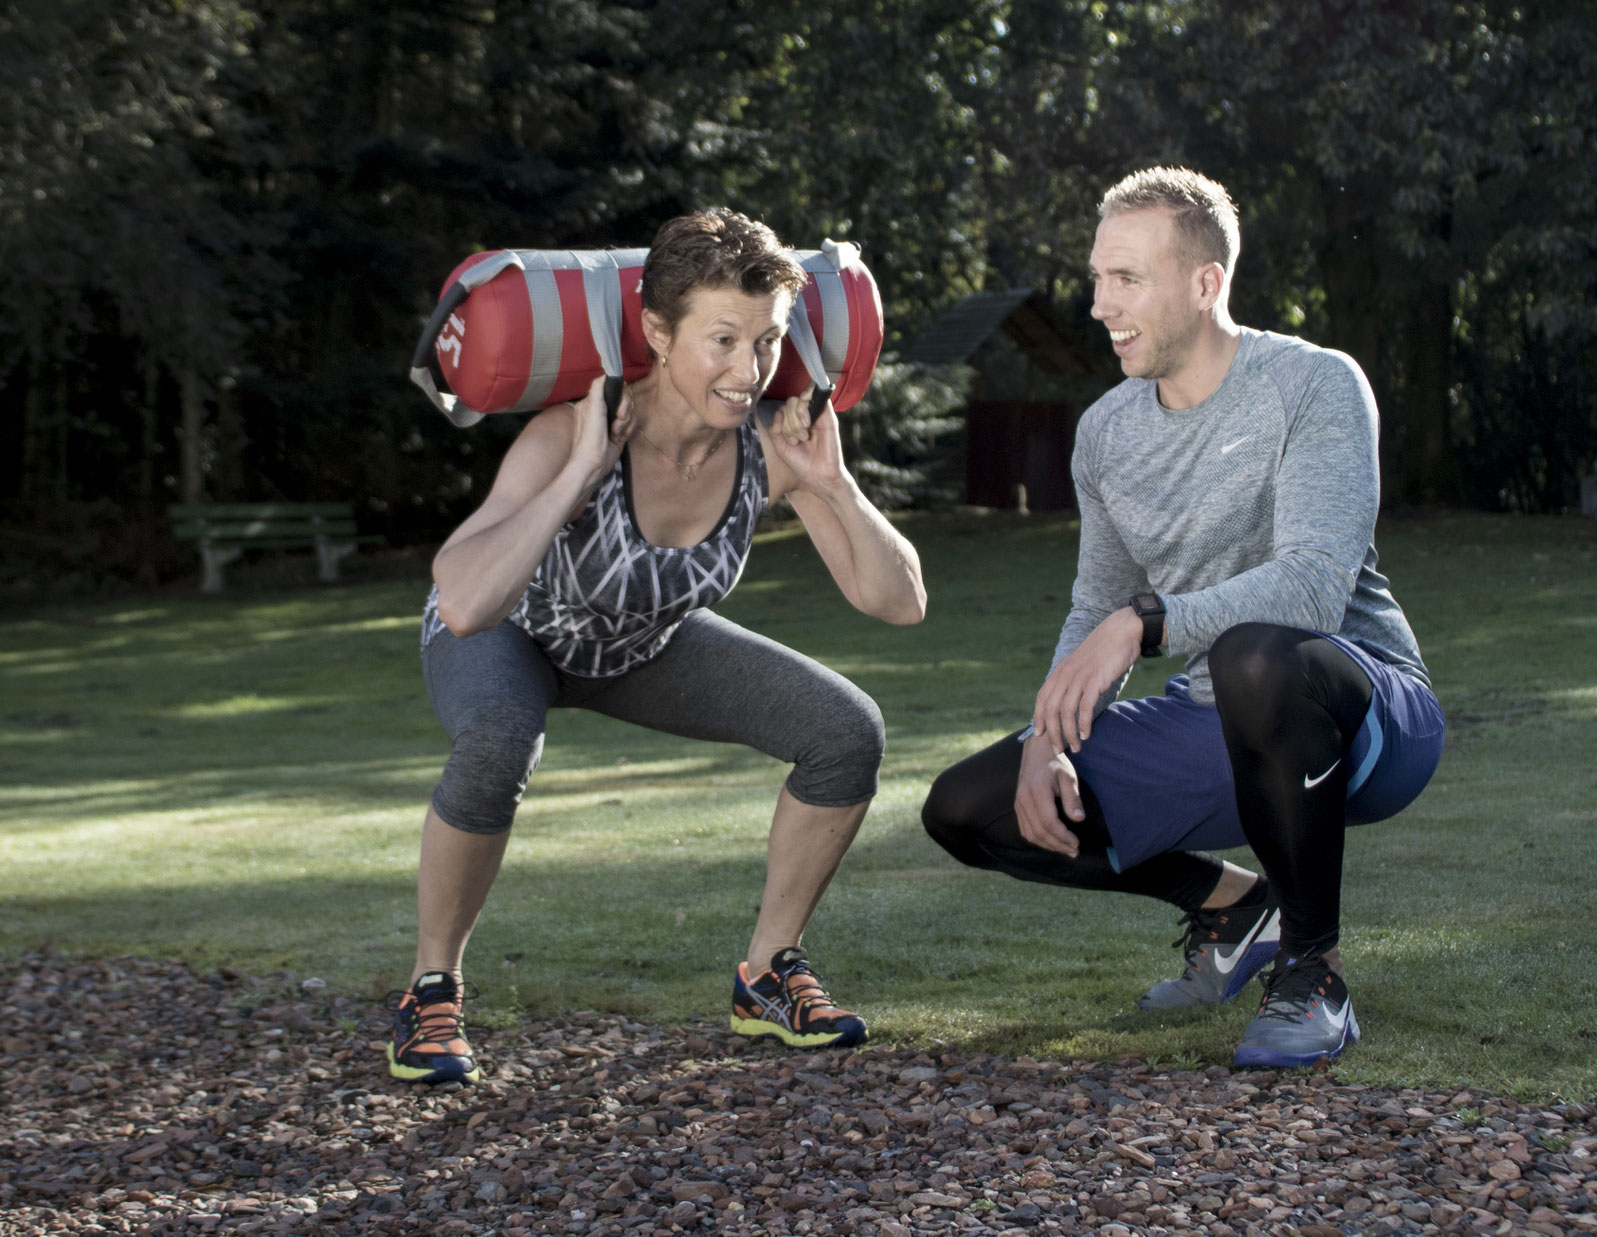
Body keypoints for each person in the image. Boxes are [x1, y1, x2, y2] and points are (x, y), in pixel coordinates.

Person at [921, 168, 1443, 1068]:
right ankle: (1237, 906)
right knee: (969, 807)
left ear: (1206, 285)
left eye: (1127, 279)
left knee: (1254, 658)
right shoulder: (1107, 432)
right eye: (1097, 277)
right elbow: (1096, 602)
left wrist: (1149, 621)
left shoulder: (1316, 385)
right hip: (1212, 717)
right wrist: (1051, 730)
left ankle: (1314, 974)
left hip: (1364, 716)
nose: (1098, 304)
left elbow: (1316, 586)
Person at [391, 209, 926, 1085]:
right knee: (496, 739)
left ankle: (768, 973)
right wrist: (576, 476)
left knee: (845, 731)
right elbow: (465, 604)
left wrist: (834, 483)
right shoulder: (571, 430)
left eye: (766, 341)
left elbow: (898, 601)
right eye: (722, 338)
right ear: (655, 332)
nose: (747, 369)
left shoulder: (773, 448)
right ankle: (431, 988)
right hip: (516, 632)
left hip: (643, 643)